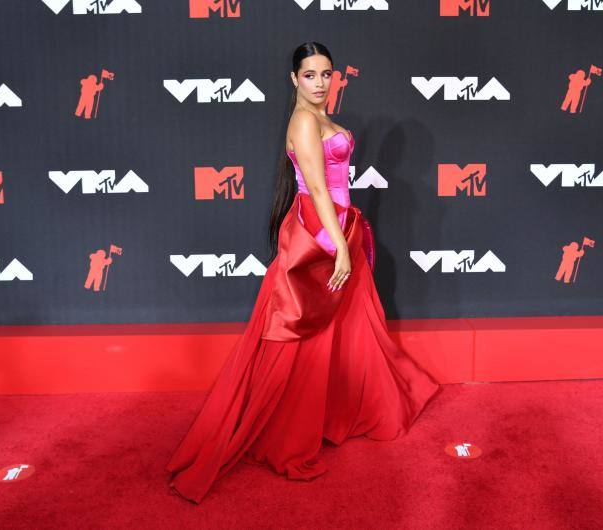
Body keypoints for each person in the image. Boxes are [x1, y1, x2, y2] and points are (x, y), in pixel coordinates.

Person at [165, 41, 441, 505]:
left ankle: (338, 414)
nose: (319, 82)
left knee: (347, 330)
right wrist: (337, 248)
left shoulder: (321, 119)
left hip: (340, 227)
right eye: (310, 75)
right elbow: (315, 186)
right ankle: (288, 431)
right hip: (320, 233)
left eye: (326, 74)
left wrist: (348, 239)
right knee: (304, 335)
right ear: (294, 79)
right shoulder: (302, 121)